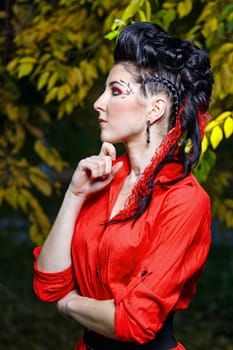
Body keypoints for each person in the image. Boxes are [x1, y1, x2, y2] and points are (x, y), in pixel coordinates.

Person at [33, 21, 214, 350]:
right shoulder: (102, 178)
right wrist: (74, 194)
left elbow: (136, 321)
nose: (98, 103)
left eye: (115, 91)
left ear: (154, 110)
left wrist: (69, 304)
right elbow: (48, 283)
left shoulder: (185, 201)